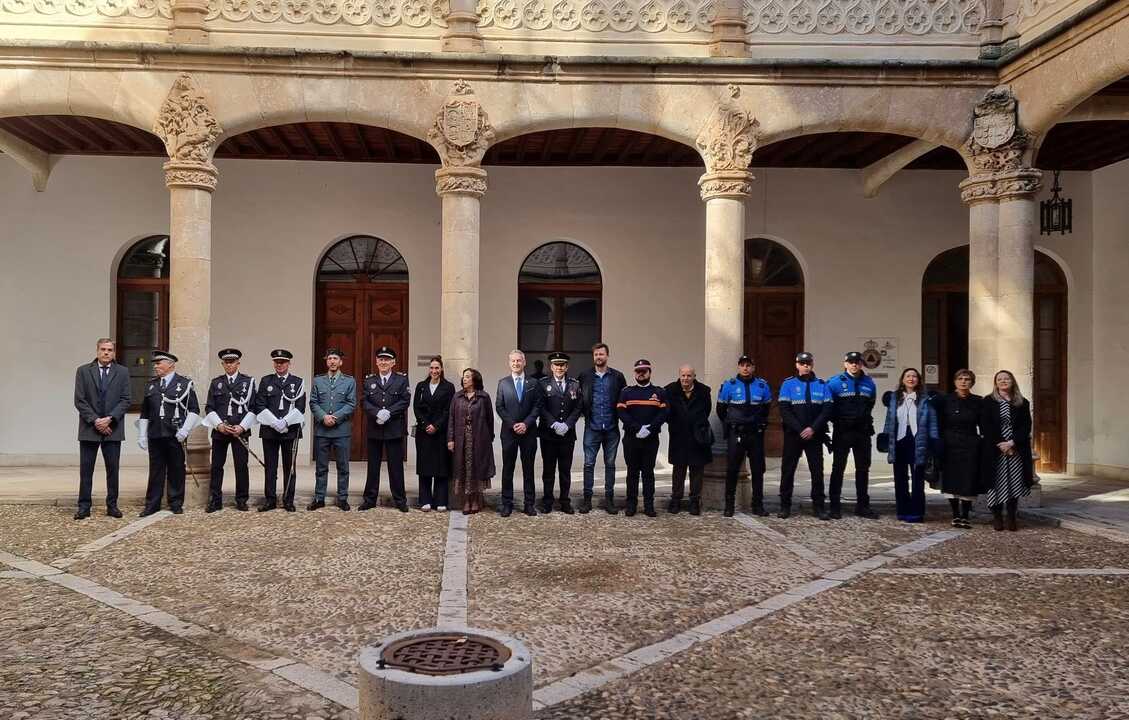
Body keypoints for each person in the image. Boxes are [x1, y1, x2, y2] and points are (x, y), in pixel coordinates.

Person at [137, 350, 201, 517]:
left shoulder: (185, 384)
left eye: (159, 363)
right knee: (156, 470)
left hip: (175, 434)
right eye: (155, 363)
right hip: (155, 434)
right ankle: (152, 504)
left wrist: (185, 430)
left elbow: (194, 410)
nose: (156, 366)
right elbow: (145, 412)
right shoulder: (151, 385)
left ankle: (175, 502)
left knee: (177, 469)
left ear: (171, 364)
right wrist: (142, 435)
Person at [73, 338, 131, 520]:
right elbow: (80, 400)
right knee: (86, 470)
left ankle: (112, 505)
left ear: (114, 352)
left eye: (110, 350)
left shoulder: (122, 372)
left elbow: (126, 399)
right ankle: (84, 506)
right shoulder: (83, 371)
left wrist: (110, 420)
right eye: (103, 349)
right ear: (97, 351)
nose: (106, 353)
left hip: (113, 429)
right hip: (89, 429)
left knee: (113, 470)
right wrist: (96, 421)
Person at [880, 368, 939, 523]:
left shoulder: (926, 399)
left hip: (918, 441)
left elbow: (932, 421)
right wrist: (886, 438)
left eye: (914, 376)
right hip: (899, 441)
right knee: (900, 478)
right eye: (908, 376)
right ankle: (902, 510)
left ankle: (917, 512)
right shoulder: (894, 398)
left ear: (919, 380)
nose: (911, 378)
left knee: (918, 479)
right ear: (902, 379)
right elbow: (889, 420)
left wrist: (934, 440)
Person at [716, 354, 772, 517]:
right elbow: (721, 410)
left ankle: (757, 504)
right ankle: (729, 505)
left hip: (755, 434)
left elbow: (766, 409)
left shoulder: (762, 385)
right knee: (732, 469)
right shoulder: (729, 385)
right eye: (742, 365)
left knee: (757, 470)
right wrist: (731, 424)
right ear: (738, 367)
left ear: (753, 367)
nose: (745, 368)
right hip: (737, 433)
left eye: (748, 365)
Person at [777, 352, 832, 519]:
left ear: (812, 364)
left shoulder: (822, 385)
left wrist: (812, 429)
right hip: (794, 434)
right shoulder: (788, 384)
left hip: (815, 435)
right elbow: (784, 410)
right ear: (797, 365)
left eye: (808, 363)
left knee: (817, 471)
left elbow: (827, 410)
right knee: (788, 470)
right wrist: (801, 429)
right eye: (802, 363)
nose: (806, 365)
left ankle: (819, 507)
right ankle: (785, 506)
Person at [201, 348, 256, 513]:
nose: (229, 364)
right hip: (221, 431)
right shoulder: (216, 382)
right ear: (222, 364)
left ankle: (241, 499)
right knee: (217, 466)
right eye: (226, 362)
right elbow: (210, 407)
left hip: (240, 430)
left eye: (232, 361)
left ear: (238, 363)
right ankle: (215, 500)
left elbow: (254, 407)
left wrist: (242, 427)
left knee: (241, 466)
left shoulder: (248, 382)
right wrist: (218, 425)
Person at [827, 351, 880, 519]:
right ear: (845, 364)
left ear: (861, 364)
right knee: (838, 469)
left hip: (862, 432)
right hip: (843, 432)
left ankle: (862, 506)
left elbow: (870, 404)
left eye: (857, 362)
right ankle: (835, 506)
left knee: (863, 469)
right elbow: (829, 408)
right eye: (851, 362)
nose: (854, 364)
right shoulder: (834, 383)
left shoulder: (869, 383)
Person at [252, 349, 306, 513]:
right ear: (273, 363)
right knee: (270, 467)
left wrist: (285, 422)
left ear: (289, 363)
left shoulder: (298, 382)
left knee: (290, 467)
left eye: (283, 362)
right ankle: (270, 500)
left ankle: (288, 500)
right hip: (270, 430)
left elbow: (300, 407)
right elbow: (259, 405)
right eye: (277, 362)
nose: (279, 364)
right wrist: (275, 422)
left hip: (290, 431)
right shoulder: (265, 381)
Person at [981, 370, 1034, 532]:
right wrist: (1001, 444)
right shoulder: (988, 401)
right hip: (994, 449)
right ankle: (997, 517)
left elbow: (1026, 426)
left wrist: (1011, 443)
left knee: (1013, 483)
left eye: (1007, 378)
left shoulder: (1022, 402)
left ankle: (1011, 517)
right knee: (996, 482)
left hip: (1016, 449)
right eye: (1000, 379)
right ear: (995, 383)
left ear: (1012, 381)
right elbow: (985, 425)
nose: (1003, 381)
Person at [578, 343, 627, 514]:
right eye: (596, 354)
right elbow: (579, 398)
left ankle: (609, 500)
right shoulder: (584, 376)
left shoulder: (617, 377)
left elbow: (623, 400)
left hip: (612, 428)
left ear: (607, 356)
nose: (599, 357)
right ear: (593, 357)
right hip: (592, 426)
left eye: (601, 354)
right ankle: (586, 500)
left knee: (610, 464)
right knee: (588, 464)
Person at [361, 346, 411, 512]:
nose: (383, 362)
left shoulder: (401, 380)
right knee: (373, 466)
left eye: (387, 359)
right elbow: (364, 401)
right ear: (376, 362)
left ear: (393, 362)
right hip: (375, 427)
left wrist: (388, 412)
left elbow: (405, 400)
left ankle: (400, 500)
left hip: (394, 428)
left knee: (395, 466)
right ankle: (369, 499)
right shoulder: (369, 380)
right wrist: (377, 412)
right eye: (381, 359)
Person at [617, 359, 669, 518]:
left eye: (644, 371)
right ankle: (631, 505)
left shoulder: (659, 392)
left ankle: (648, 506)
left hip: (650, 439)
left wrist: (650, 429)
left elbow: (664, 413)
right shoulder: (626, 392)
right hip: (632, 439)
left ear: (649, 372)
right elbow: (621, 412)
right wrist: (637, 428)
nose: (641, 374)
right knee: (632, 473)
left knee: (648, 473)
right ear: (634, 373)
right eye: (638, 371)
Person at [934, 368, 983, 529]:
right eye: (960, 378)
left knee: (968, 480)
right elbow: (938, 423)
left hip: (970, 444)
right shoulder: (945, 400)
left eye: (967, 379)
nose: (963, 381)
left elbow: (983, 425)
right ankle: (955, 514)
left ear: (972, 382)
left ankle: (965, 515)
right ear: (955, 381)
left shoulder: (978, 401)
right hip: (950, 444)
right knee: (952, 480)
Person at [308, 348, 356, 512]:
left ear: (341, 362)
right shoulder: (318, 381)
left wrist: (334, 417)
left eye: (335, 358)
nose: (332, 361)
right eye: (330, 358)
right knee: (321, 467)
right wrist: (323, 417)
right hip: (322, 431)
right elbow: (313, 402)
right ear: (326, 361)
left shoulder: (349, 381)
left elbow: (351, 404)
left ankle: (342, 498)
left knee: (343, 467)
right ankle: (319, 497)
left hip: (341, 431)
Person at [495, 350, 541, 517]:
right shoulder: (503, 383)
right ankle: (507, 503)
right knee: (508, 468)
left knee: (528, 469)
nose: (516, 363)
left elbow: (537, 406)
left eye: (519, 361)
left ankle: (529, 504)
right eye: (513, 361)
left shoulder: (534, 383)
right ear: (509, 363)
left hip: (528, 432)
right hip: (509, 432)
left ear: (524, 362)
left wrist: (526, 423)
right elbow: (499, 406)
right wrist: (513, 424)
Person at [538, 351, 584, 514]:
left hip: (567, 435)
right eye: (556, 365)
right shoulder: (543, 384)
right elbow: (540, 407)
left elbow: (579, 406)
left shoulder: (574, 384)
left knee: (565, 470)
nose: (559, 367)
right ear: (551, 367)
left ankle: (565, 501)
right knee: (548, 470)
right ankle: (547, 501)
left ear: (567, 367)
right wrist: (554, 424)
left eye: (562, 365)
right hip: (548, 435)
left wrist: (568, 424)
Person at [664, 365, 713, 516]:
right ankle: (676, 500)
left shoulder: (704, 391)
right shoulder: (670, 390)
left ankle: (694, 501)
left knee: (696, 469)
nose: (685, 379)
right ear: (679, 376)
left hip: (697, 436)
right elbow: (666, 412)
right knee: (678, 469)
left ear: (694, 376)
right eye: (683, 376)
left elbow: (707, 410)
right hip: (678, 435)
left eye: (689, 376)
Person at [448, 368, 496, 514]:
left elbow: (490, 419)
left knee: (476, 469)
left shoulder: (484, 397)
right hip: (461, 438)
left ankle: (476, 500)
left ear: (475, 379)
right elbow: (451, 418)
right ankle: (466, 501)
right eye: (463, 377)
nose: (464, 379)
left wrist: (489, 437)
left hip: (480, 439)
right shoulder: (457, 397)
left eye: (468, 377)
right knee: (464, 470)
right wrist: (450, 439)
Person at [414, 356, 455, 512]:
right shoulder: (421, 386)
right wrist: (426, 425)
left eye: (437, 368)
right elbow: (416, 408)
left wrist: (436, 426)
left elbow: (448, 410)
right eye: (431, 368)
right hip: (424, 432)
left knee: (441, 466)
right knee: (424, 466)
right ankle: (424, 499)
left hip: (441, 432)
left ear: (442, 369)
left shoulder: (448, 387)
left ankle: (440, 500)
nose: (434, 371)